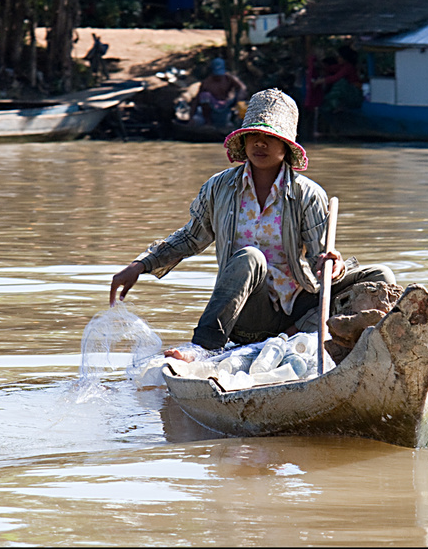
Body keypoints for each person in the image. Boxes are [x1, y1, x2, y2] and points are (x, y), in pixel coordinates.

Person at [109, 88, 396, 361]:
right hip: (251, 314)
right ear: (243, 142)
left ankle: (301, 334)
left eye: (269, 137)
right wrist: (140, 265)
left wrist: (335, 266)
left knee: (381, 275)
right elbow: (190, 238)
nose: (260, 143)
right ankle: (204, 346)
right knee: (250, 256)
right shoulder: (219, 188)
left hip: (297, 304)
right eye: (253, 136)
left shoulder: (307, 194)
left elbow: (320, 261)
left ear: (286, 146)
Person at [196, 58, 248, 128]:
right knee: (204, 96)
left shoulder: (229, 78)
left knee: (242, 102)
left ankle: (233, 121)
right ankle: (208, 123)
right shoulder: (206, 83)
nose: (218, 76)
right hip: (213, 109)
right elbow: (196, 99)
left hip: (227, 106)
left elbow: (242, 88)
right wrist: (190, 119)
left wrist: (239, 97)